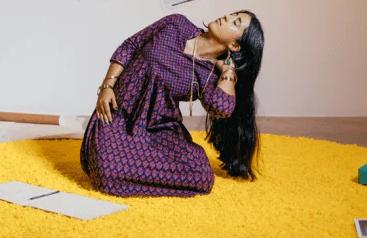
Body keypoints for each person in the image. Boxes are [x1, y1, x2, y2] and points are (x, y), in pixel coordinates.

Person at [80, 11, 265, 197]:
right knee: (106, 171)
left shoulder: (209, 75)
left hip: (159, 130)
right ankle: (130, 171)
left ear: (234, 45)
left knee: (202, 176)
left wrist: (229, 71)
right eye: (231, 14)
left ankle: (134, 171)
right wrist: (107, 86)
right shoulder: (176, 24)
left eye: (235, 22)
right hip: (119, 116)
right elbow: (131, 45)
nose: (226, 17)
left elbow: (221, 108)